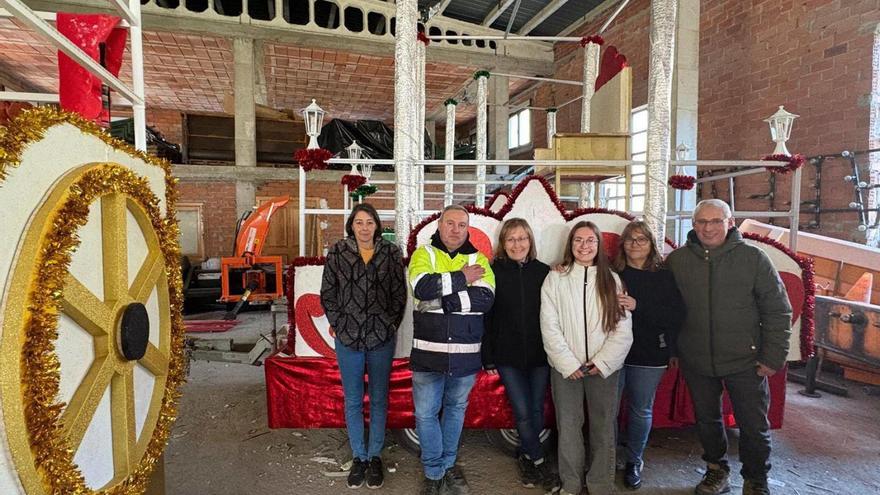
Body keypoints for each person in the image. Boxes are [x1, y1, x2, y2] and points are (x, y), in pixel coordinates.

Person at [666, 199, 792, 495]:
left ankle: (756, 479)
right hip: (696, 360)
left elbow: (777, 310)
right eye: (701, 222)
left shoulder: (753, 259)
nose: (708, 228)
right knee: (707, 420)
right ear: (693, 225)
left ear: (730, 222)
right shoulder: (678, 261)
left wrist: (773, 356)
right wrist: (674, 350)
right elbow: (668, 310)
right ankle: (716, 470)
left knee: (752, 425)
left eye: (715, 221)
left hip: (745, 361)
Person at [540, 221, 633, 495]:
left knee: (604, 427)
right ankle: (570, 484)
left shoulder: (612, 279)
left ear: (599, 245)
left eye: (590, 240)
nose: (584, 246)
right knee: (568, 427)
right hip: (565, 369)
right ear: (570, 244)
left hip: (603, 369)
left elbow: (622, 327)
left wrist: (603, 362)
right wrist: (567, 363)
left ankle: (601, 485)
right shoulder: (555, 278)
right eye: (578, 240)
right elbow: (549, 323)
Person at [408, 205, 495, 495]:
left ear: (467, 228)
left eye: (461, 224)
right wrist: (462, 278)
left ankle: (446, 466)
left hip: (465, 355)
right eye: (450, 223)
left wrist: (443, 302)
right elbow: (421, 287)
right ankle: (434, 472)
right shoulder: (424, 254)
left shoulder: (478, 258)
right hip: (427, 355)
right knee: (425, 415)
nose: (455, 229)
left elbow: (485, 298)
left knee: (455, 411)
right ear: (439, 225)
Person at [319, 203, 408, 489]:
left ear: (377, 226)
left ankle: (374, 457)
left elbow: (399, 293)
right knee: (354, 400)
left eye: (370, 222)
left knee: (379, 398)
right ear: (351, 226)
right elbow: (327, 292)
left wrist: (390, 324)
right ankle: (359, 456)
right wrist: (339, 321)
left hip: (381, 338)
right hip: (348, 338)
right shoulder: (338, 252)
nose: (365, 228)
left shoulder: (390, 252)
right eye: (359, 222)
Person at [481, 218, 557, 492]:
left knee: (537, 408)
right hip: (507, 355)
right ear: (503, 244)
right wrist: (487, 355)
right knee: (523, 411)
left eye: (522, 238)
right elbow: (486, 317)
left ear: (530, 241)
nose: (517, 244)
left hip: (540, 354)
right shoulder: (493, 272)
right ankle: (537, 460)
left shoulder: (544, 272)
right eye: (511, 239)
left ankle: (527, 455)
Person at [613, 220, 685, 490]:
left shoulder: (664, 276)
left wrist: (637, 306)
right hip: (613, 352)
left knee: (640, 409)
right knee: (608, 409)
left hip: (650, 352)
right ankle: (608, 456)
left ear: (651, 245)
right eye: (630, 239)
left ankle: (634, 460)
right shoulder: (613, 273)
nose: (635, 244)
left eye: (641, 239)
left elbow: (674, 315)